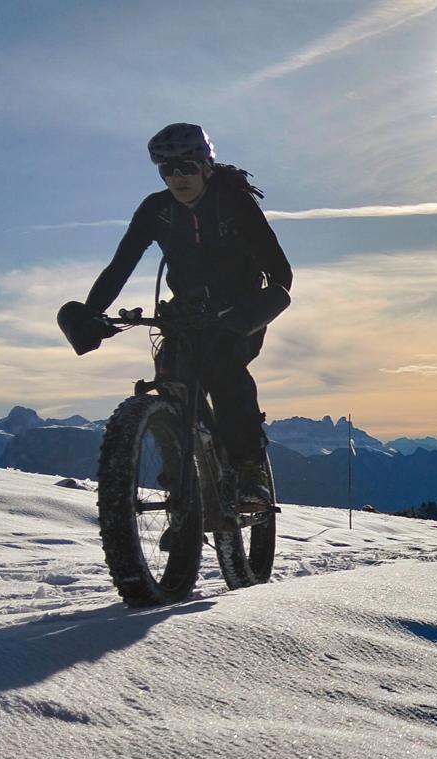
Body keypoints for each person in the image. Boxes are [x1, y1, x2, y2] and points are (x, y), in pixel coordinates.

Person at [67, 123, 292, 509]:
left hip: (240, 312)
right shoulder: (156, 210)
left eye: (186, 167)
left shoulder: (234, 202)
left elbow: (280, 273)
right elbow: (119, 267)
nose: (177, 177)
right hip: (184, 313)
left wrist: (254, 310)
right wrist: (91, 313)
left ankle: (249, 468)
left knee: (223, 367)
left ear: (205, 166)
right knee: (170, 376)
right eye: (167, 169)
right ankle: (182, 491)